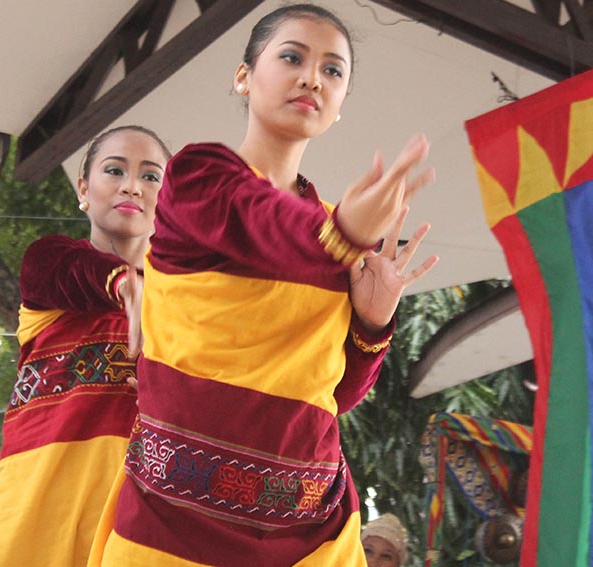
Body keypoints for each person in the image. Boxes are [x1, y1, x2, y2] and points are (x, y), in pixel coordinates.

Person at [88, 5, 437, 567]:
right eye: (293, 57)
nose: (312, 78)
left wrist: (373, 326)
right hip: (173, 524)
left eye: (333, 71)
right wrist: (344, 234)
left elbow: (330, 397)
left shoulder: (334, 229)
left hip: (312, 532)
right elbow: (259, 221)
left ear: (341, 103)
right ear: (243, 76)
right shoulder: (197, 177)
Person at [0, 126, 171, 567]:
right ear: (84, 188)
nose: (131, 186)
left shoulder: (190, 301)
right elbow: (67, 271)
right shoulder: (50, 262)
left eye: (151, 176)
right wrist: (124, 282)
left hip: (144, 528)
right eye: (114, 170)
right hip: (35, 521)